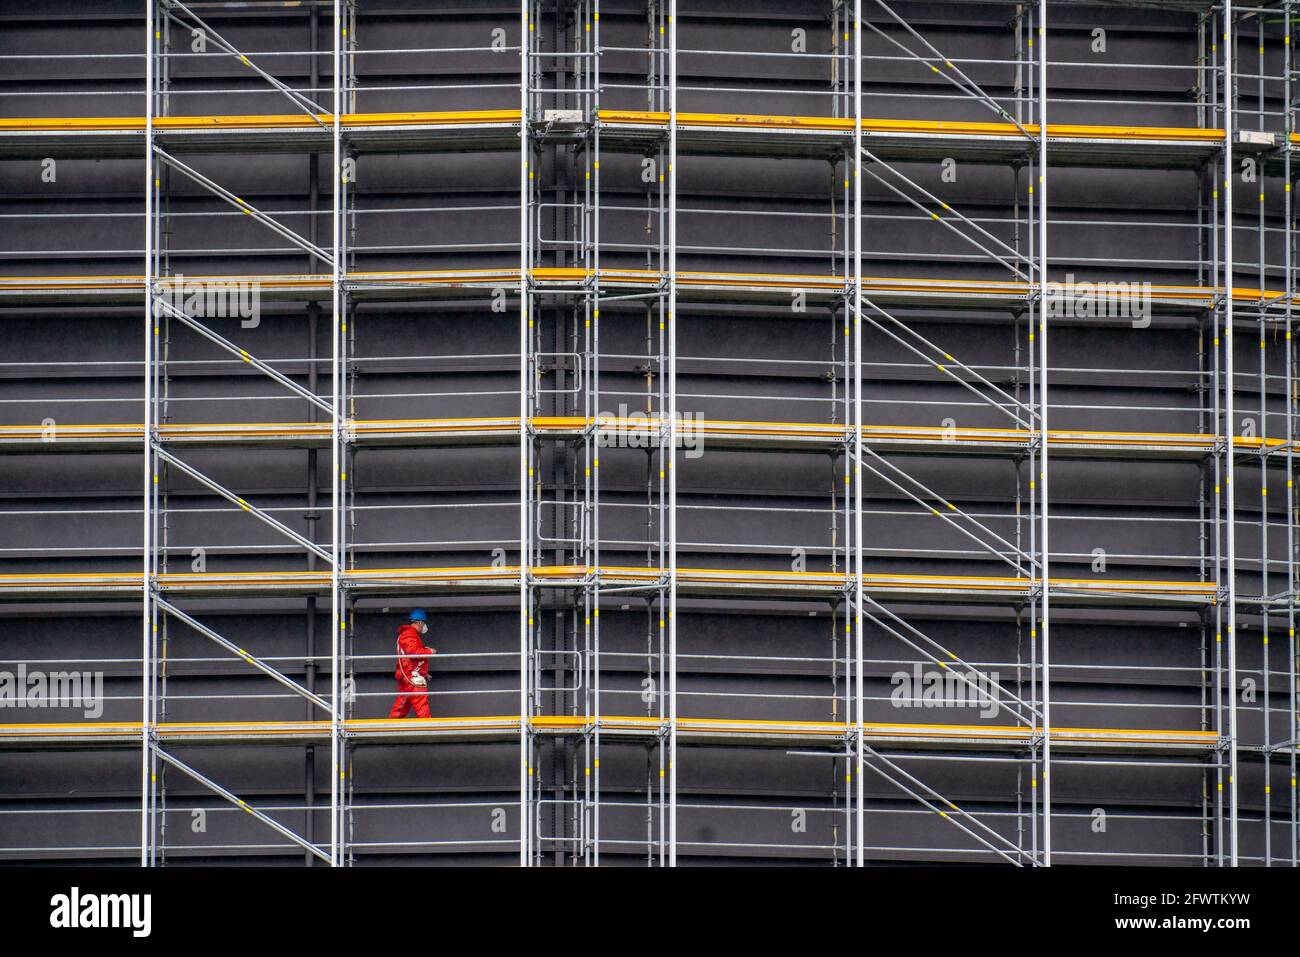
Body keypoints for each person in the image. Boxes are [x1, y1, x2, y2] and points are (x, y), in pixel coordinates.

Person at [388, 608, 436, 718]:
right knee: (421, 706)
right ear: (419, 622)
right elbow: (413, 653)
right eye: (424, 623)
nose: (424, 626)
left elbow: (411, 658)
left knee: (400, 707)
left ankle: (390, 730)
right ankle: (428, 730)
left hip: (407, 676)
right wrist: (429, 651)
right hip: (412, 677)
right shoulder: (410, 634)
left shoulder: (408, 634)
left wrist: (424, 673)